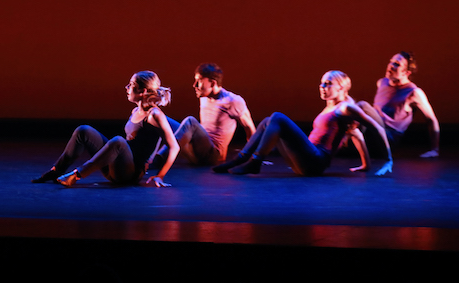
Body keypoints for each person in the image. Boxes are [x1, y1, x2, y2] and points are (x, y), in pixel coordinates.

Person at [213, 70, 393, 177]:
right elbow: (356, 135)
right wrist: (365, 165)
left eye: (328, 84)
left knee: (277, 117)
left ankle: (255, 161)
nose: (322, 87)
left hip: (315, 161)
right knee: (269, 121)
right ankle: (240, 160)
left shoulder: (346, 108)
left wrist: (388, 159)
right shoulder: (329, 109)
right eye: (321, 84)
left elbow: (373, 127)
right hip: (303, 162)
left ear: (341, 88)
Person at [32, 71, 180, 187]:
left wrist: (160, 175)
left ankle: (77, 175)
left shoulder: (155, 115)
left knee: (118, 141)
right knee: (83, 131)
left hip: (130, 174)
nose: (127, 88)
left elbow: (174, 147)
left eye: (131, 84)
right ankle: (56, 171)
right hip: (115, 167)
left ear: (143, 91)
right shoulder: (135, 111)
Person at [153, 63, 255, 167]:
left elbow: (249, 128)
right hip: (196, 151)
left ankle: (159, 160)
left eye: (199, 81)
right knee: (158, 117)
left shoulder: (232, 101)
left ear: (212, 83)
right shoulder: (204, 97)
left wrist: (252, 157)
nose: (195, 85)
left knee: (190, 122)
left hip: (213, 156)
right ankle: (145, 157)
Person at [356, 52, 440, 158]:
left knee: (362, 106)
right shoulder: (382, 83)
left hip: (388, 138)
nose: (391, 65)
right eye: (391, 62)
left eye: (397, 64)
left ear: (406, 73)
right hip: (373, 132)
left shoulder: (413, 92)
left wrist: (434, 150)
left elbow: (431, 120)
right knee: (348, 107)